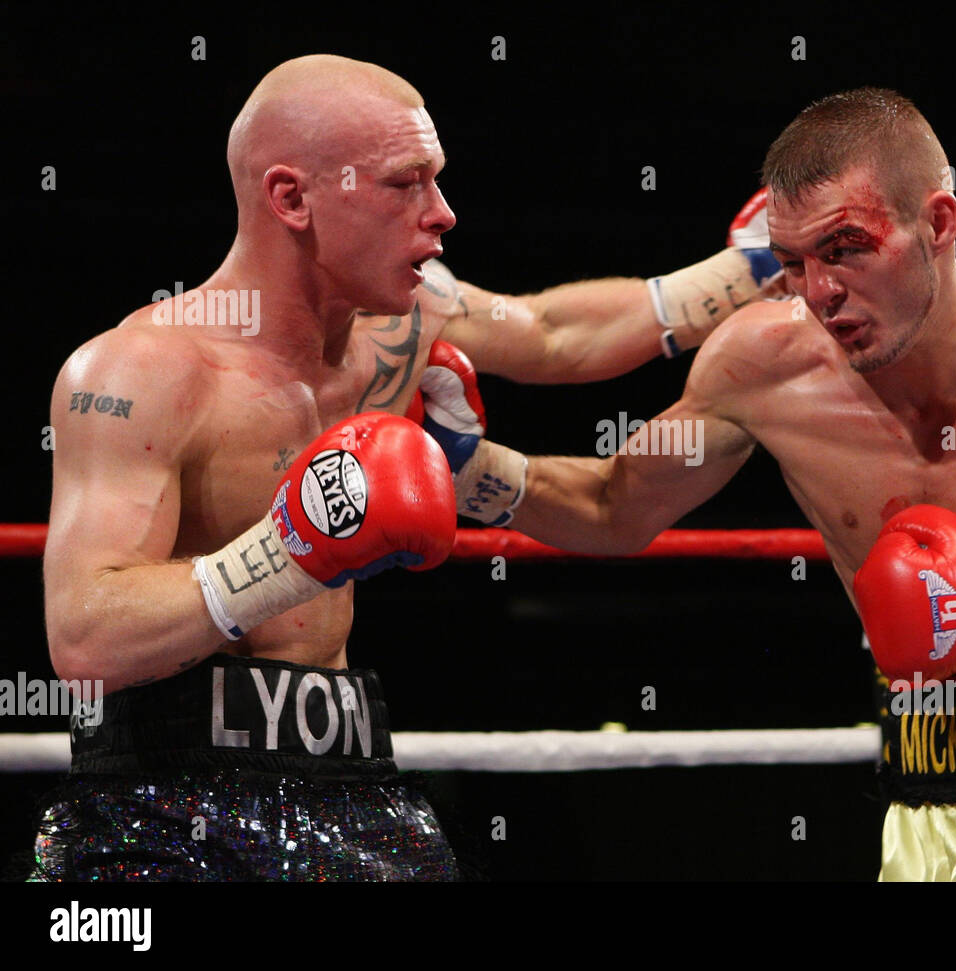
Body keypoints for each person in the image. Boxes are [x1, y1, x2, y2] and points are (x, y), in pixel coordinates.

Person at [447, 86, 956, 881]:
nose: (820, 292)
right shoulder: (760, 366)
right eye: (796, 261)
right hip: (927, 798)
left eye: (846, 250)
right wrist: (461, 469)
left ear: (937, 223)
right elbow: (611, 508)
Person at [31, 53, 777, 882]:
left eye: (438, 180)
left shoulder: (402, 324)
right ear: (291, 198)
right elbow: (86, 633)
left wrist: (752, 266)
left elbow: (558, 335)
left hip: (357, 785)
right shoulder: (139, 372)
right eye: (406, 184)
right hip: (163, 806)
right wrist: (294, 548)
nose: (443, 213)